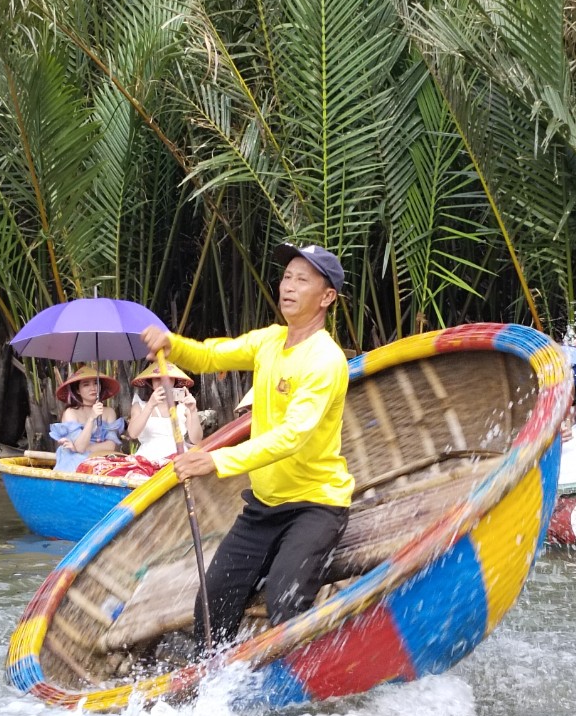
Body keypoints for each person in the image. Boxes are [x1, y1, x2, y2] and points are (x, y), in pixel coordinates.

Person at [140, 243, 353, 651]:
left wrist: (215, 460)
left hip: (315, 505)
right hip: (263, 506)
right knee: (211, 609)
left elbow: (291, 436)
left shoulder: (325, 360)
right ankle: (213, 677)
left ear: (327, 297)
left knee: (285, 601)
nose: (288, 286)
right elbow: (211, 355)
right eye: (286, 277)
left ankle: (305, 671)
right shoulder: (270, 340)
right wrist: (172, 344)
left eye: (302, 280)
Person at [49, 365, 125, 473]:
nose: (93, 388)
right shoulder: (71, 413)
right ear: (78, 390)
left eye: (96, 383)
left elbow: (110, 446)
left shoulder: (109, 412)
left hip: (101, 458)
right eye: (86, 385)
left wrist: (82, 448)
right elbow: (80, 447)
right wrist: (91, 418)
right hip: (75, 460)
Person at [126, 362, 203, 464]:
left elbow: (196, 440)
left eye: (168, 378)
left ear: (174, 380)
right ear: (150, 381)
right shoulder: (140, 406)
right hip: (148, 458)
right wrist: (150, 405)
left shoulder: (183, 407)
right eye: (157, 378)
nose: (163, 382)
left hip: (178, 459)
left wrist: (193, 411)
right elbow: (133, 433)